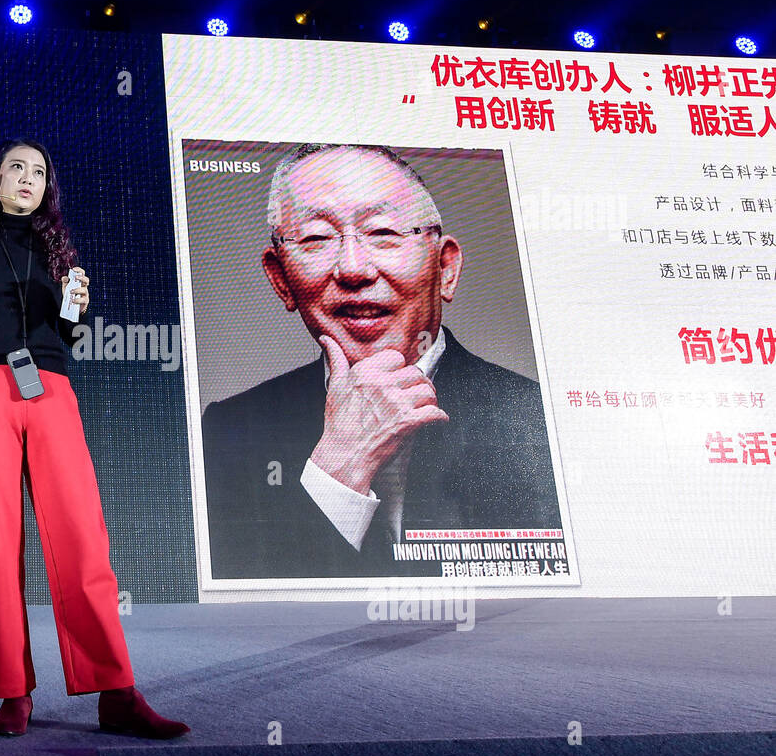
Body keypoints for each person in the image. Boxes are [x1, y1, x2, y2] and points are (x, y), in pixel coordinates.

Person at [0, 140, 189, 738]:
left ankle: (116, 692)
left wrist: (75, 313)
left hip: (50, 392)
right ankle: (12, 694)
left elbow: (70, 341)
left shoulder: (59, 253)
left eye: (38, 171)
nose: (27, 178)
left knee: (82, 539)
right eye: (16, 168)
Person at [201, 143, 562, 579]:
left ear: (445, 268)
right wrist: (340, 465)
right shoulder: (230, 432)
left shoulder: (539, 420)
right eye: (316, 238)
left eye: (383, 233)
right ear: (281, 281)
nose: (354, 269)